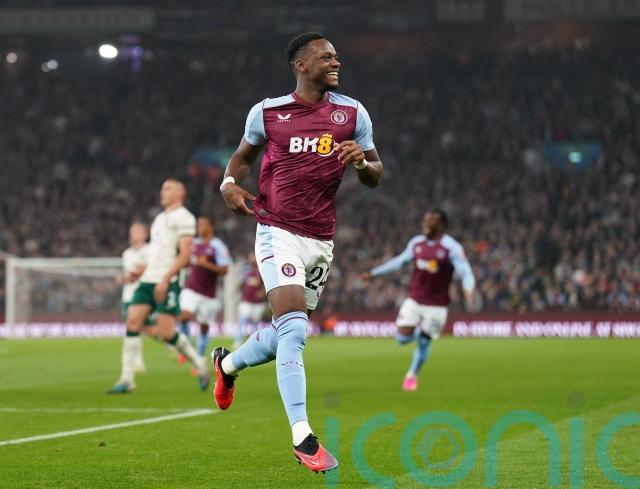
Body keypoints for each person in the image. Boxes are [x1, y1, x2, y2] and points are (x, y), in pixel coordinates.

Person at [214, 32, 383, 473]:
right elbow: (242, 158)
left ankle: (227, 364)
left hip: (320, 239)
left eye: (337, 56)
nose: (336, 62)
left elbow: (375, 174)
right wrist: (229, 184)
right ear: (301, 65)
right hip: (276, 229)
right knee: (293, 328)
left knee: (285, 333)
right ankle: (302, 437)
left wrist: (361, 162)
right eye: (326, 57)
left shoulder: (353, 113)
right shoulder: (268, 113)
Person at [108, 178, 210, 394]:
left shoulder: (185, 217)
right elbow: (157, 254)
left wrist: (165, 279)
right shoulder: (159, 219)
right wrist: (142, 271)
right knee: (133, 321)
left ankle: (199, 364)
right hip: (148, 280)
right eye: (162, 188)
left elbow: (185, 255)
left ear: (179, 194)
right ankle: (127, 379)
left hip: (168, 281)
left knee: (166, 333)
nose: (163, 192)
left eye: (168, 188)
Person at [362, 209, 476, 391]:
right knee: (401, 338)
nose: (425, 224)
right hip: (415, 299)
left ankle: (411, 375)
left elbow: (466, 272)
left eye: (430, 221)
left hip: (437, 305)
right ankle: (423, 333)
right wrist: (374, 273)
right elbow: (399, 262)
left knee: (424, 344)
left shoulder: (452, 248)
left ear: (441, 225)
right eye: (425, 220)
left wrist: (468, 289)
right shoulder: (416, 243)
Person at [178, 216, 231, 361]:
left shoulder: (218, 246)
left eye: (202, 224)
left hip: (208, 295)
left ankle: (199, 357)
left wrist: (206, 264)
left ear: (210, 227)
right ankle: (187, 347)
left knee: (204, 327)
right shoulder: (194, 244)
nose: (199, 227)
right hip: (191, 289)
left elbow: (225, 270)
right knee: (184, 316)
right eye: (198, 225)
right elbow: (187, 261)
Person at [118, 222, 151, 373]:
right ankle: (137, 362)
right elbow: (130, 275)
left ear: (145, 234)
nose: (133, 234)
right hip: (129, 296)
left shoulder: (150, 250)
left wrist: (131, 276)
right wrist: (124, 278)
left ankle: (175, 345)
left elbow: (142, 273)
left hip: (146, 295)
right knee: (133, 328)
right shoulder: (127, 254)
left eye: (137, 231)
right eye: (132, 231)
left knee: (153, 330)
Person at [232, 252, 268, 349]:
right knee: (242, 321)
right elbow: (242, 282)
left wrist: (263, 293)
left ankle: (254, 342)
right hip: (246, 302)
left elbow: (266, 284)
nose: (252, 259)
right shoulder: (246, 270)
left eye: (253, 257)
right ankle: (237, 341)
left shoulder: (262, 270)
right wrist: (236, 289)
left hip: (257, 303)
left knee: (255, 324)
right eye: (250, 257)